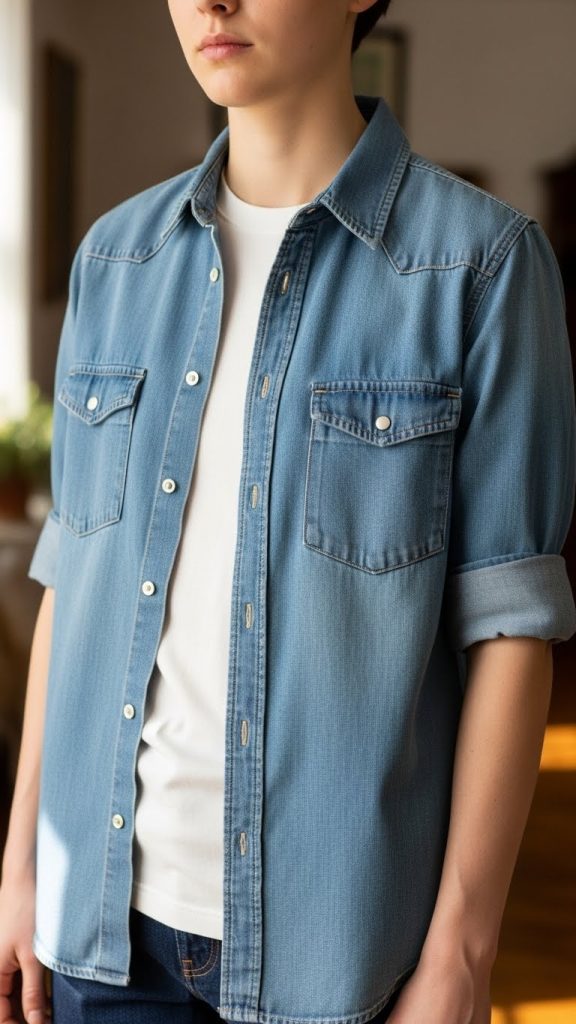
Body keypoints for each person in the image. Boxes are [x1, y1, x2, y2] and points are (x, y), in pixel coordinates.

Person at [1, 0, 576, 1022]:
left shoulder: (480, 266)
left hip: (342, 955)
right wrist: (20, 864)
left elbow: (512, 630)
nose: (211, 3)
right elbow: (69, 583)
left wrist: (462, 955)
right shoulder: (113, 260)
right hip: (98, 936)